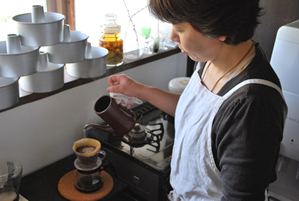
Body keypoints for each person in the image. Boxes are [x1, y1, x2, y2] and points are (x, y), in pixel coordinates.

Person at [107, 0, 287, 200]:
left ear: (219, 28)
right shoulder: (211, 58)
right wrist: (138, 90)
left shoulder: (252, 106)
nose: (172, 36)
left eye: (180, 29)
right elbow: (195, 110)